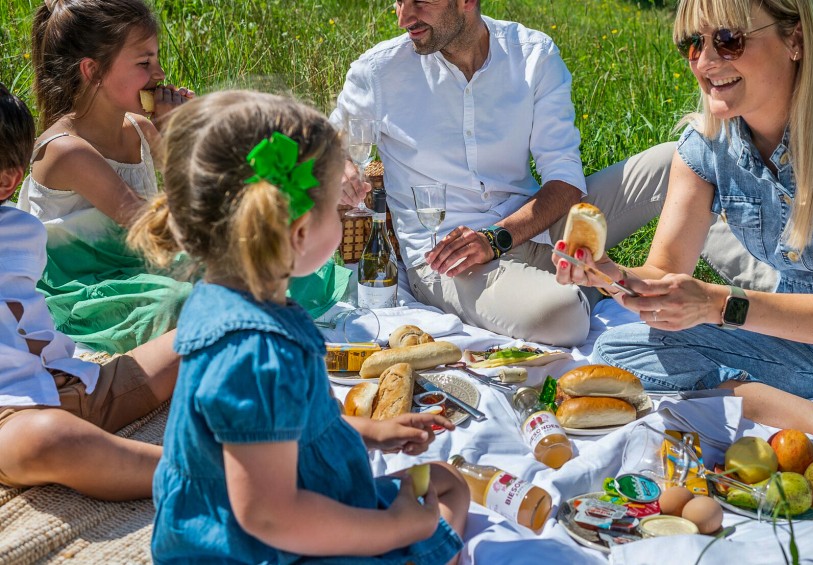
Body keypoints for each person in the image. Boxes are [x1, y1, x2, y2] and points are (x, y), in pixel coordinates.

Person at [558, 0, 813, 511]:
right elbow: (664, 273)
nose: (705, 60)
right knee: (617, 358)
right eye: (692, 44)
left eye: (729, 40)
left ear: (795, 38)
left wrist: (720, 305)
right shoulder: (705, 144)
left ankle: (804, 400)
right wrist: (612, 276)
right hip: (808, 336)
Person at [130, 90, 467, 563]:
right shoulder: (257, 352)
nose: (341, 217)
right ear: (300, 231)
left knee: (447, 483)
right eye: (335, 209)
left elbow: (279, 424)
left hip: (261, 510)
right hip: (253, 545)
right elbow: (269, 515)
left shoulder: (228, 299)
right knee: (442, 518)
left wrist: (371, 432)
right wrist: (391, 528)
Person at [331, 0, 777, 347]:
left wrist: (499, 237)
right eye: (397, 2)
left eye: (419, 2)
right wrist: (343, 166)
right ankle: (597, 283)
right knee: (563, 317)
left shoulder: (531, 55)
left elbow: (564, 179)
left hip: (532, 226)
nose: (403, 17)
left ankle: (777, 294)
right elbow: (329, 152)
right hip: (447, 260)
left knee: (673, 160)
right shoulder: (378, 73)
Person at [0, 82, 179, 501]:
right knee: (51, 440)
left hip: (75, 381)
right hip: (11, 418)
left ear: (6, 180)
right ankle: (203, 473)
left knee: (208, 330)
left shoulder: (20, 230)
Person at [16, 0, 195, 354]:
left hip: (139, 269)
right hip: (82, 292)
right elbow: (159, 230)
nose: (158, 74)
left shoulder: (141, 128)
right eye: (144, 63)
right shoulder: (67, 150)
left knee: (246, 262)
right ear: (93, 71)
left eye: (156, 60)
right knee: (186, 299)